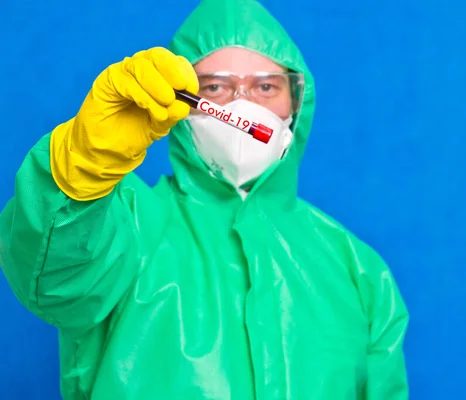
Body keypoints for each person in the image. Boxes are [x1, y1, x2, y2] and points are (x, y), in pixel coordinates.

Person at [0, 0, 410, 398]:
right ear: (180, 104)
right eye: (214, 87)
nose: (244, 106)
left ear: (296, 102)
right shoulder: (126, 224)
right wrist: (85, 163)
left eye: (266, 86)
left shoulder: (355, 268)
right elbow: (53, 277)